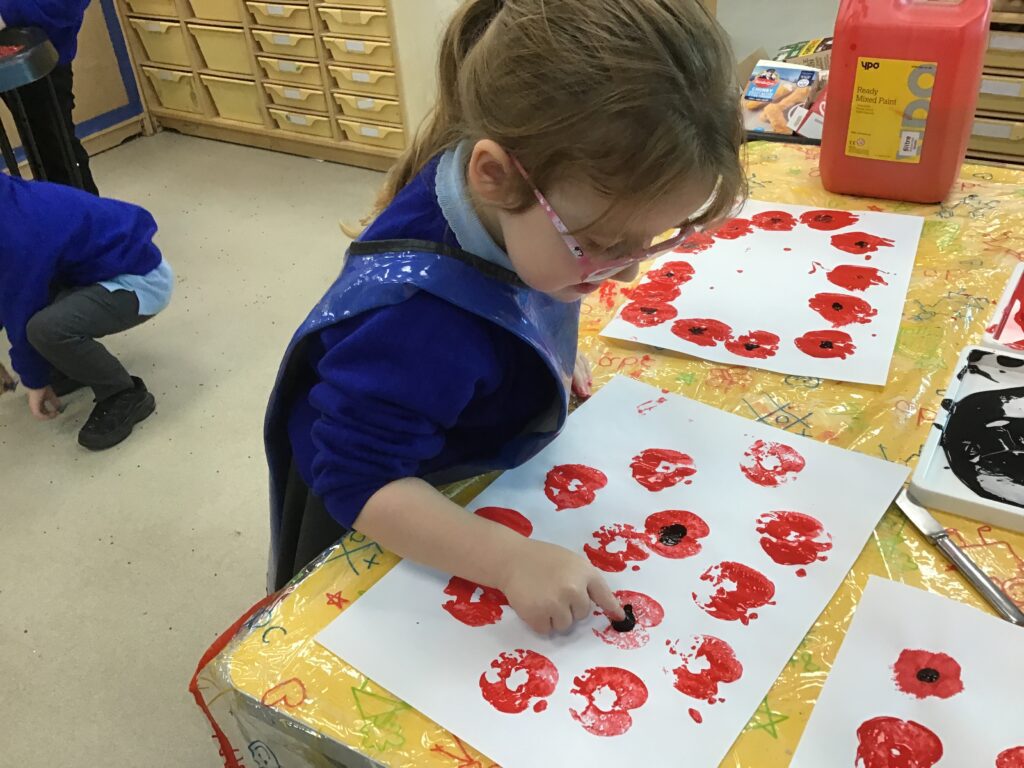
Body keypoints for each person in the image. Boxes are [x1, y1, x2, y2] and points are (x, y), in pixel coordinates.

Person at [265, 0, 744, 633]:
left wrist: (543, 341)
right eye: (602, 243)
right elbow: (357, 480)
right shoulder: (419, 326)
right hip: (391, 509)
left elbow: (532, 275)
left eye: (650, 240)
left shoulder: (517, 204)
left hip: (454, 429)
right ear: (494, 175)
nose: (627, 274)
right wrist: (509, 560)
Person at [0, 171, 173, 449]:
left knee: (45, 329)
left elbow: (20, 301)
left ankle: (122, 392)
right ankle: (71, 367)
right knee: (40, 323)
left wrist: (33, 378)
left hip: (139, 279)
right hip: (95, 273)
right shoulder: (8, 202)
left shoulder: (14, 232)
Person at [0, 0, 98, 193]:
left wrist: (5, 13)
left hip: (36, 46)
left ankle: (80, 210)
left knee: (57, 156)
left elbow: (64, 5)